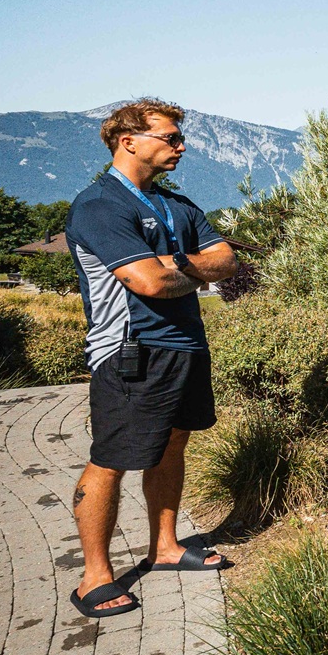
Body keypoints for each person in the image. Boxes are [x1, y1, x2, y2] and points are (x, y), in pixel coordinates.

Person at [64, 99, 239, 618]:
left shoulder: (176, 205)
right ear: (130, 141)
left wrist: (177, 262)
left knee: (172, 446)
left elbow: (227, 259)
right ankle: (94, 575)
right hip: (130, 352)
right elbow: (147, 282)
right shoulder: (99, 206)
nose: (181, 146)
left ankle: (164, 548)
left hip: (186, 345)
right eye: (170, 138)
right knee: (111, 459)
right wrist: (189, 269)